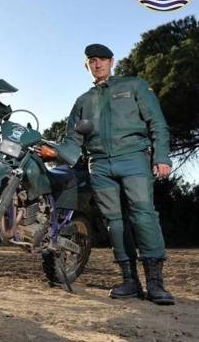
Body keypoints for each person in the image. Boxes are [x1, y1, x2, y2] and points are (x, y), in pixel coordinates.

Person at [58, 43, 174, 305]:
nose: (97, 64)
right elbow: (72, 141)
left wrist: (162, 156)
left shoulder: (134, 86)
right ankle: (129, 280)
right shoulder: (83, 101)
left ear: (112, 62)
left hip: (133, 158)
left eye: (102, 60)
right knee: (114, 220)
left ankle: (155, 283)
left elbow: (157, 123)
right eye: (91, 61)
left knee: (143, 214)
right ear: (86, 66)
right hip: (98, 165)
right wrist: (51, 152)